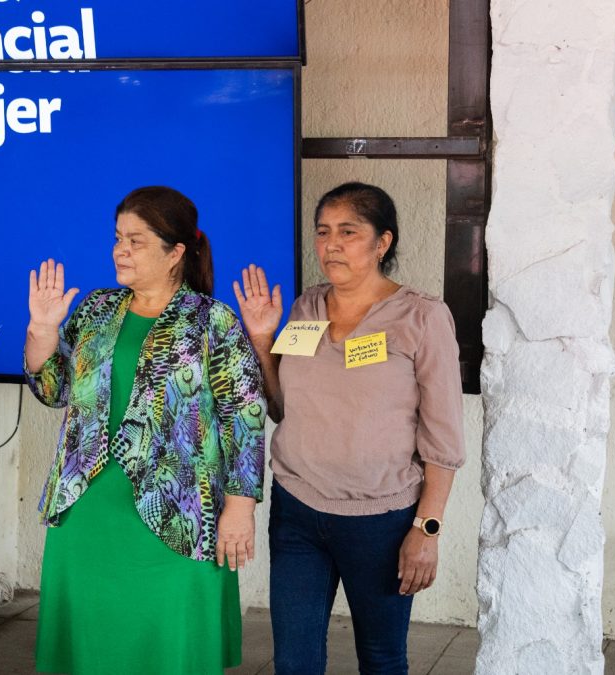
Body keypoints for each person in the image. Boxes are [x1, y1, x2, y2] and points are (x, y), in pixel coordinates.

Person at [24, 186, 267, 674]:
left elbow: (245, 416)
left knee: (168, 646)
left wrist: (240, 508)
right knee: (93, 646)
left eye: (135, 241)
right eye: (117, 238)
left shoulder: (212, 321)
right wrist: (41, 331)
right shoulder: (96, 309)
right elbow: (52, 388)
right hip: (88, 509)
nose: (120, 250)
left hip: (176, 514)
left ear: (176, 252)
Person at [233, 182, 465, 674]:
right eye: (323, 231)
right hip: (297, 511)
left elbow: (443, 441)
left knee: (381, 659)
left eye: (348, 231)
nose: (331, 244)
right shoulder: (305, 307)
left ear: (382, 243)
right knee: (294, 662)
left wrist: (427, 529)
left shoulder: (421, 317)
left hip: (380, 521)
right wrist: (260, 338)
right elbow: (279, 406)